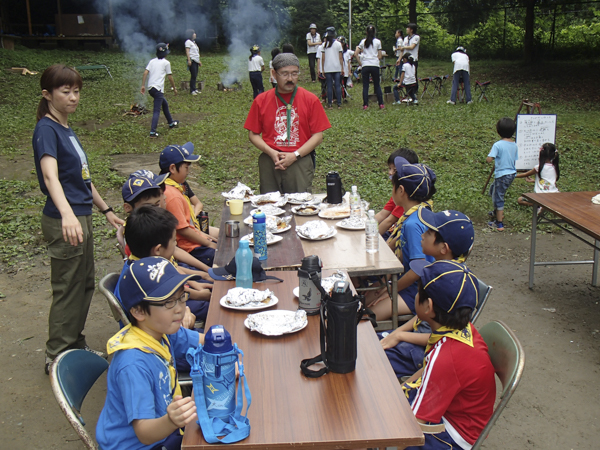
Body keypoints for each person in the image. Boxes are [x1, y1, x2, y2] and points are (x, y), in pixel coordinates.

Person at [33, 64, 124, 375]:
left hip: (80, 216)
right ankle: (57, 355)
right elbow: (50, 176)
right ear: (47, 94)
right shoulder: (46, 129)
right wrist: (68, 214)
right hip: (65, 219)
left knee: (84, 284)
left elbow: (84, 179)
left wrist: (106, 211)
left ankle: (73, 342)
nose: (73, 97)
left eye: (76, 91)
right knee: (68, 286)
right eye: (65, 91)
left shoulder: (66, 129)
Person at [96, 257, 205, 450]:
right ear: (139, 311)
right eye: (169, 302)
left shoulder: (161, 330)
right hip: (140, 445)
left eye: (181, 297)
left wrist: (223, 348)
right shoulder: (133, 365)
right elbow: (144, 433)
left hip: (164, 430)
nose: (180, 309)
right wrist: (172, 420)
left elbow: (201, 340)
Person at [402, 259, 496, 450]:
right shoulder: (462, 328)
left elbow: (411, 428)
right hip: (458, 414)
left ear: (428, 306)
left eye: (418, 291)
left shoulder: (446, 357)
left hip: (453, 435)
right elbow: (427, 368)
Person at [379, 210, 475, 378]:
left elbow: (447, 338)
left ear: (444, 248)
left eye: (429, 233)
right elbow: (420, 317)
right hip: (415, 337)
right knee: (367, 343)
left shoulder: (452, 284)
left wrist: (401, 335)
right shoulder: (437, 271)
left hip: (422, 351)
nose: (422, 235)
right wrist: (397, 333)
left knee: (368, 359)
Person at [244, 53, 332, 194]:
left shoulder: (310, 100)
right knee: (270, 204)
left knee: (299, 206)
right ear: (274, 73)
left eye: (294, 73)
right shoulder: (261, 101)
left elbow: (318, 135)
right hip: (270, 160)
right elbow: (253, 134)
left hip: (299, 160)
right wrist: (271, 152)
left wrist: (295, 155)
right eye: (284, 74)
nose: (290, 79)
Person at [366, 157, 436, 321]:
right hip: (404, 282)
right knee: (361, 301)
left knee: (366, 316)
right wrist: (386, 284)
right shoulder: (416, 212)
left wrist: (391, 290)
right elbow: (401, 256)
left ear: (401, 190)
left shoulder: (412, 223)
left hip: (420, 292)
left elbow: (419, 269)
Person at [159, 142, 217, 266]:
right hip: (192, 249)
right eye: (186, 167)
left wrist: (203, 235)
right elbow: (183, 230)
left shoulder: (175, 188)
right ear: (173, 168)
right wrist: (207, 243)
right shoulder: (172, 195)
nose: (188, 171)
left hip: (195, 241)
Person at [375, 148, 419, 238]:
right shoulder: (397, 194)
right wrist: (363, 226)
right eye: (390, 168)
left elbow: (389, 221)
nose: (390, 173)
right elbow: (382, 214)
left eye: (395, 170)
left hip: (396, 236)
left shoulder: (405, 197)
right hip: (392, 232)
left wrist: (370, 237)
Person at [486, 117, 519, 231]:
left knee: (498, 197)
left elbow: (489, 159)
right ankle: (496, 212)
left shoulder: (498, 145)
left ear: (498, 131)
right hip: (511, 174)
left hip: (502, 175)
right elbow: (515, 159)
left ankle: (499, 223)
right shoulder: (514, 145)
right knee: (493, 190)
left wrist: (488, 158)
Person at [141, 43, 179, 138]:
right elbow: (170, 77)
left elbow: (145, 72)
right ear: (165, 53)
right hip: (158, 89)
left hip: (151, 88)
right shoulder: (166, 63)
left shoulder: (152, 61)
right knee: (156, 111)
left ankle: (171, 122)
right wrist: (174, 88)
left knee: (164, 104)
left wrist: (143, 85)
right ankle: (152, 132)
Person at [355, 25, 384, 110]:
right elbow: (380, 56)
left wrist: (361, 63)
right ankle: (381, 103)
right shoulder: (378, 42)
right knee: (377, 85)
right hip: (375, 65)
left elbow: (356, 54)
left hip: (365, 65)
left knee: (365, 86)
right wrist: (375, 59)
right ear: (374, 32)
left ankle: (365, 104)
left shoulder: (363, 42)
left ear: (366, 32)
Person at [321, 26, 344, 109]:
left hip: (328, 68)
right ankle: (339, 103)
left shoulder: (324, 45)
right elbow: (340, 57)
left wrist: (322, 69)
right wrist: (342, 68)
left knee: (329, 86)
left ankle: (329, 103)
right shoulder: (338, 44)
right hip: (337, 67)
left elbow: (323, 58)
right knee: (337, 85)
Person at [185, 29, 202, 95]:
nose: (195, 34)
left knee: (195, 75)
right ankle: (192, 90)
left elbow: (196, 53)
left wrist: (199, 61)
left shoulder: (193, 42)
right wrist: (189, 60)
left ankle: (194, 89)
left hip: (196, 61)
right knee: (193, 75)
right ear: (191, 34)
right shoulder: (188, 42)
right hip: (192, 60)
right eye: (194, 33)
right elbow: (187, 51)